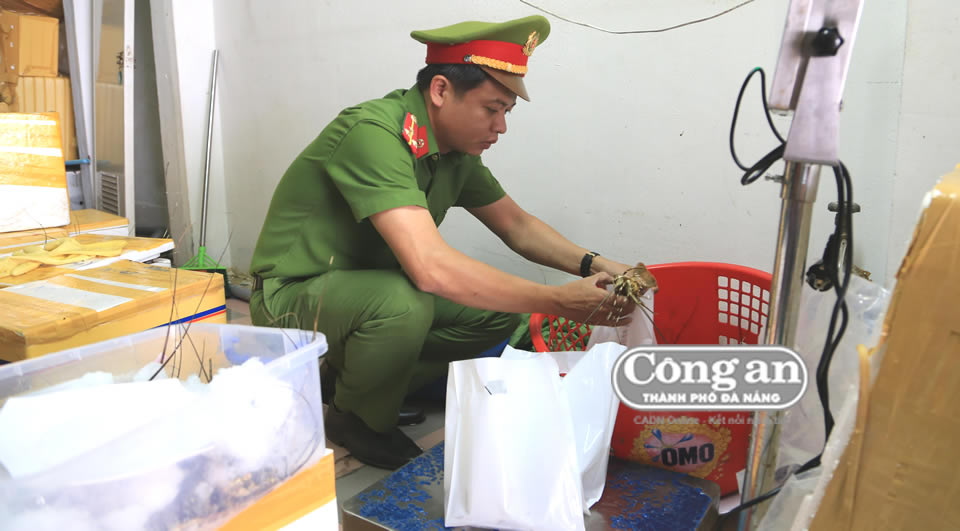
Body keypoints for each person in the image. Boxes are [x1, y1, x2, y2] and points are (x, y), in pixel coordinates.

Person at [249, 15, 643, 470]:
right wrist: (556, 301)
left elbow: (516, 225)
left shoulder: (454, 152)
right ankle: (355, 419)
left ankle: (349, 382)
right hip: (292, 298)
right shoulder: (373, 134)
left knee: (499, 312)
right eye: (491, 109)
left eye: (506, 112)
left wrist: (596, 264)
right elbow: (430, 268)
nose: (501, 126)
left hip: (364, 293)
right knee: (404, 303)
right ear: (440, 90)